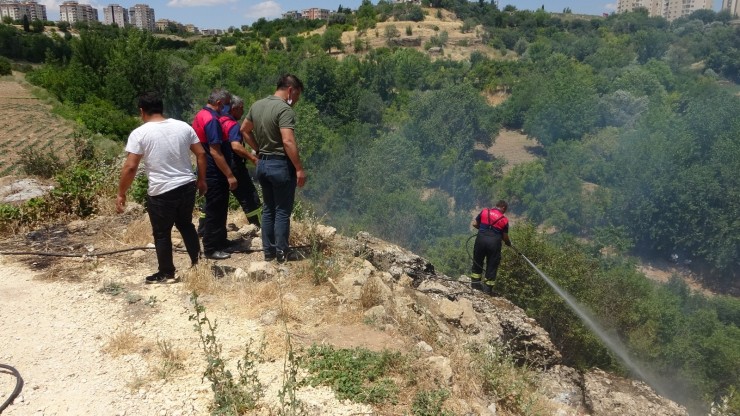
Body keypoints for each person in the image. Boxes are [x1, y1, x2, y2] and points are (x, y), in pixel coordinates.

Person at [116, 92, 207, 284]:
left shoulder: (140, 134)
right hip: (187, 185)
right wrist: (201, 180)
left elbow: (131, 166)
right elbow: (201, 154)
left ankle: (166, 272)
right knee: (186, 225)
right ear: (161, 107)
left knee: (161, 232)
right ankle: (198, 263)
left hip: (162, 191)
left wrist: (121, 193)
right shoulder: (183, 127)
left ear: (142, 111)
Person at [240, 74, 306, 262]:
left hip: (263, 165)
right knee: (282, 211)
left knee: (268, 209)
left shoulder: (257, 105)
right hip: (280, 165)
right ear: (291, 90)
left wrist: (259, 149)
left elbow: (244, 130)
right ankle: (282, 253)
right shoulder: (284, 110)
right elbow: (287, 140)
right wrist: (299, 168)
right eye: (297, 97)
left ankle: (268, 252)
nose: (295, 102)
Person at [192, 89, 237, 260]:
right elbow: (215, 152)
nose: (227, 108)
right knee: (215, 209)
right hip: (214, 172)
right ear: (219, 104)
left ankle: (221, 241)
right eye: (226, 105)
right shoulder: (211, 120)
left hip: (208, 170)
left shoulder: (201, 115)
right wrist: (229, 174)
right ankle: (211, 248)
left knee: (219, 207)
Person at [219, 95, 262, 228]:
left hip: (220, 165)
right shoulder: (232, 125)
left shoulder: (218, 121)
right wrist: (253, 158)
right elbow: (236, 146)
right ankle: (258, 226)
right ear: (234, 108)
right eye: (241, 108)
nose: (243, 112)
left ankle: (203, 227)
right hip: (234, 165)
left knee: (217, 197)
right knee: (249, 196)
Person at [470, 200, 511, 295]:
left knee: (478, 260)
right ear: (503, 208)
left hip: (481, 240)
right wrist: (508, 243)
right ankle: (487, 289)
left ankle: (475, 284)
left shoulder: (484, 211)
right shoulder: (504, 220)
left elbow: (475, 224)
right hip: (494, 244)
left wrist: (483, 230)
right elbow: (505, 237)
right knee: (492, 265)